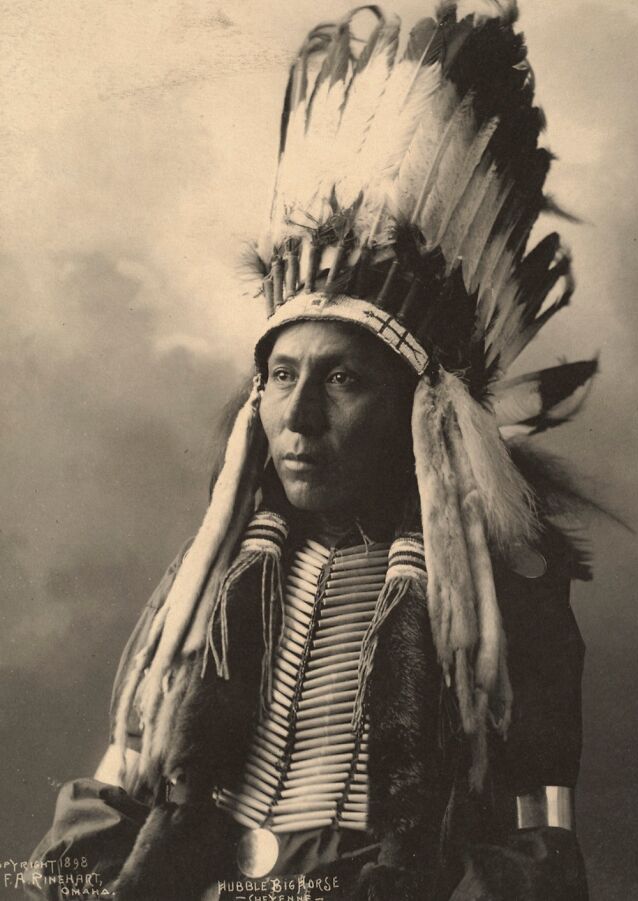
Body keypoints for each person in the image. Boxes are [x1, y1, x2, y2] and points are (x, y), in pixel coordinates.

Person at [26, 3, 597, 899]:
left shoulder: (500, 603)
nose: (297, 418)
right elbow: (123, 779)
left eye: (343, 380)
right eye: (280, 375)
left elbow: (539, 842)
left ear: (418, 412)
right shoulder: (207, 586)